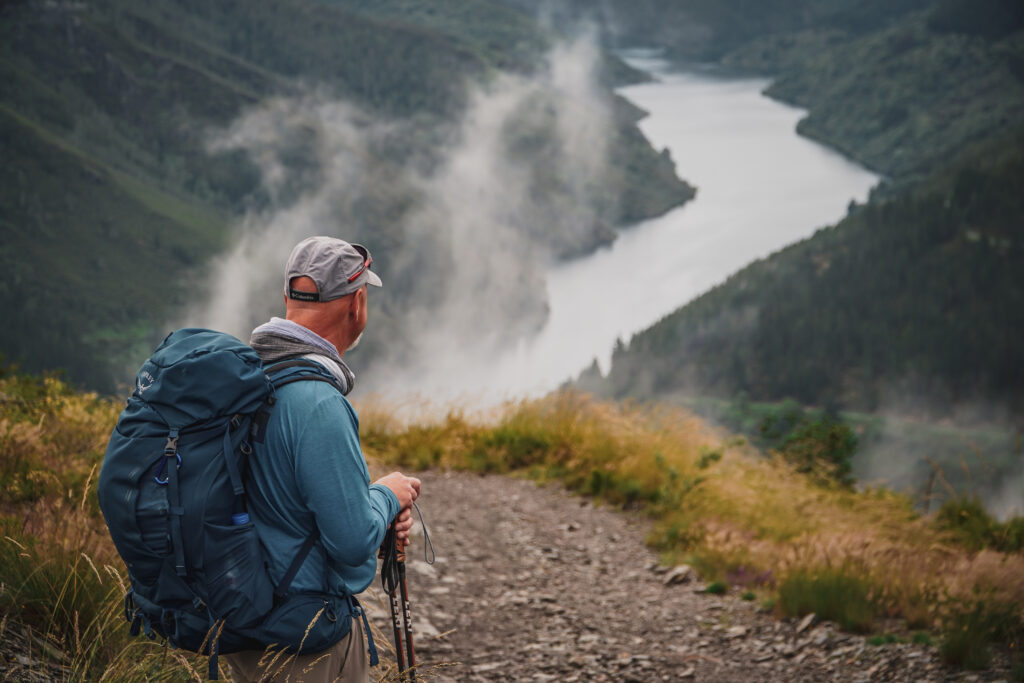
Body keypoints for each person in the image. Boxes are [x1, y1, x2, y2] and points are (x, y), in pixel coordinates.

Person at [222, 236, 421, 683]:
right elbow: (351, 542)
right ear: (357, 303)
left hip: (244, 621)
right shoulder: (318, 403)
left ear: (287, 299)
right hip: (304, 640)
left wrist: (376, 504)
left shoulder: (248, 378)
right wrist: (389, 496)